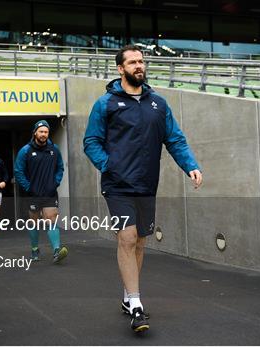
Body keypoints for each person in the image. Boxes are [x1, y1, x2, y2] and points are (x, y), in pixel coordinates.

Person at [83, 45, 203, 333]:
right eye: (133, 62)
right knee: (126, 237)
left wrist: (190, 165)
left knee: (140, 241)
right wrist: (108, 165)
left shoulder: (158, 104)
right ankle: (136, 303)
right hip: (117, 184)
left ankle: (127, 295)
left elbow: (174, 139)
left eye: (141, 61)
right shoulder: (106, 104)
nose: (139, 65)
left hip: (147, 183)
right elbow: (91, 142)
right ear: (120, 68)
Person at [14, 120, 68, 264]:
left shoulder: (54, 149)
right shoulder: (25, 150)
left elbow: (60, 168)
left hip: (49, 193)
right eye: (41, 131)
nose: (44, 134)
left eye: (46, 132)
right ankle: (34, 249)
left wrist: (55, 182)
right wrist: (28, 187)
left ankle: (56, 251)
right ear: (35, 133)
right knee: (33, 223)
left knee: (52, 219)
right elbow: (18, 171)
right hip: (33, 194)